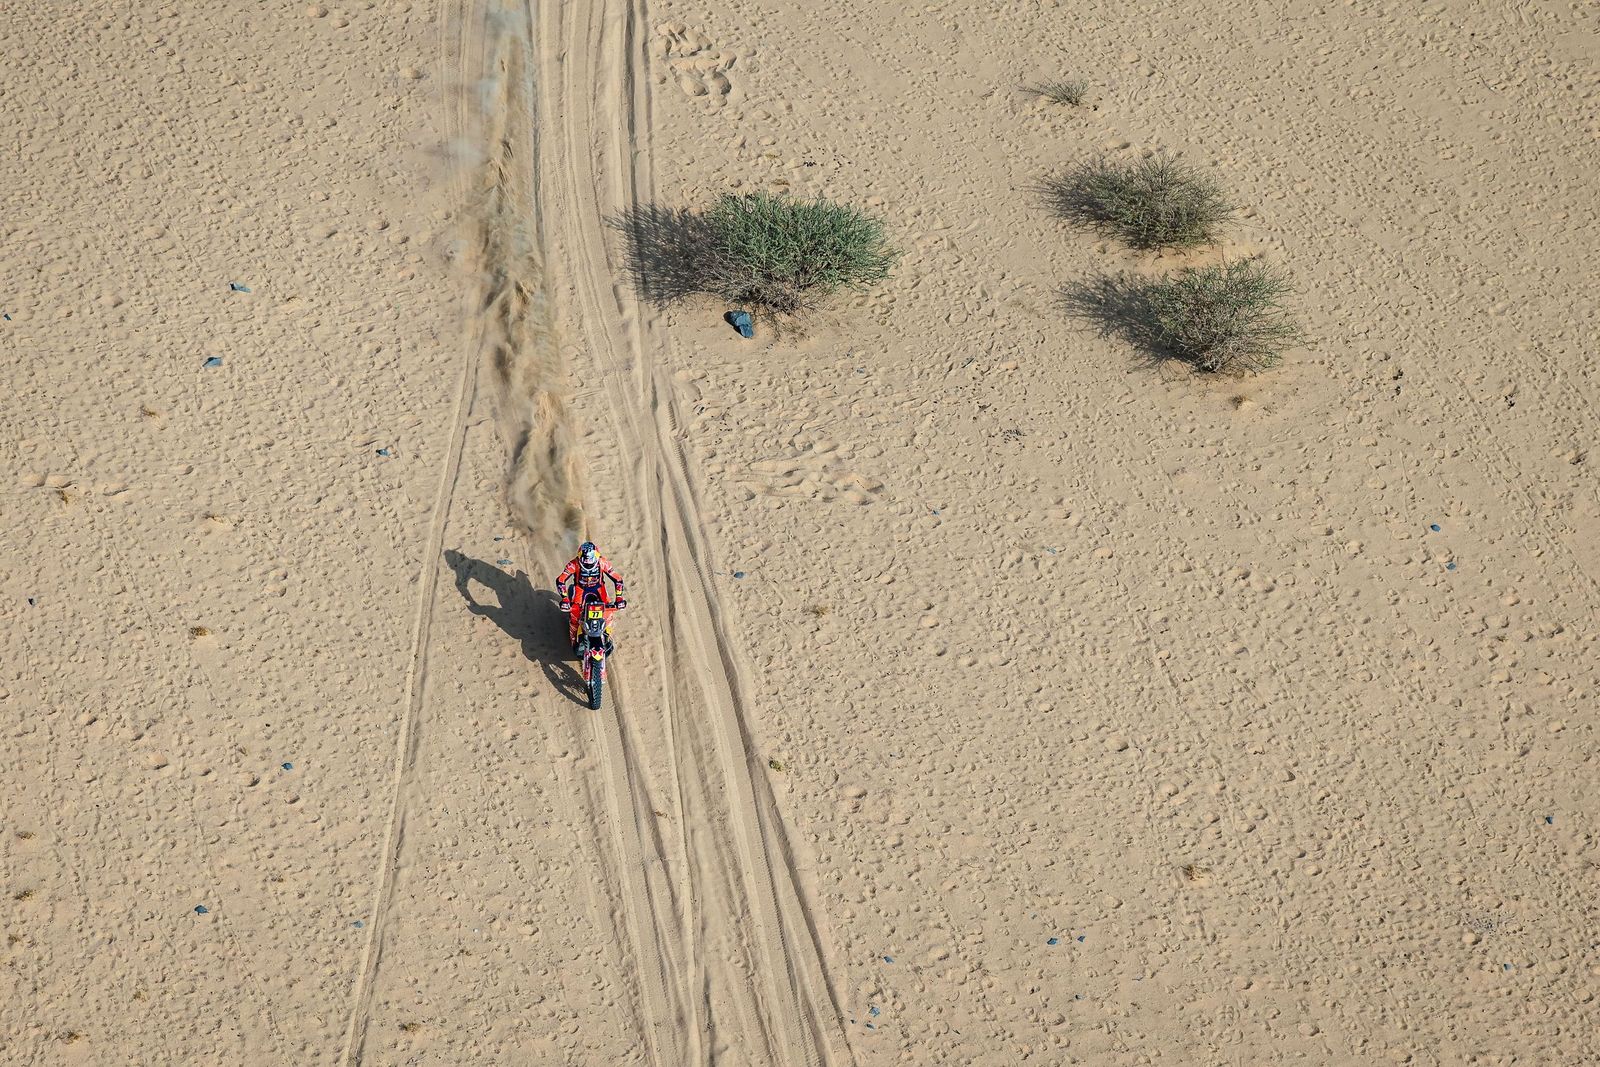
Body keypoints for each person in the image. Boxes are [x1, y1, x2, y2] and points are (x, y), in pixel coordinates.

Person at [556, 541, 626, 654]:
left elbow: (617, 578)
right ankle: (574, 636)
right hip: (580, 589)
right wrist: (565, 599)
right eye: (585, 560)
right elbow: (561, 580)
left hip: (598, 589)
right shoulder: (573, 564)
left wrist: (619, 598)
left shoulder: (603, 562)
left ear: (596, 556)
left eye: (590, 560)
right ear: (580, 557)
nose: (588, 563)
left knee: (609, 611)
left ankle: (607, 633)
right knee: (575, 614)